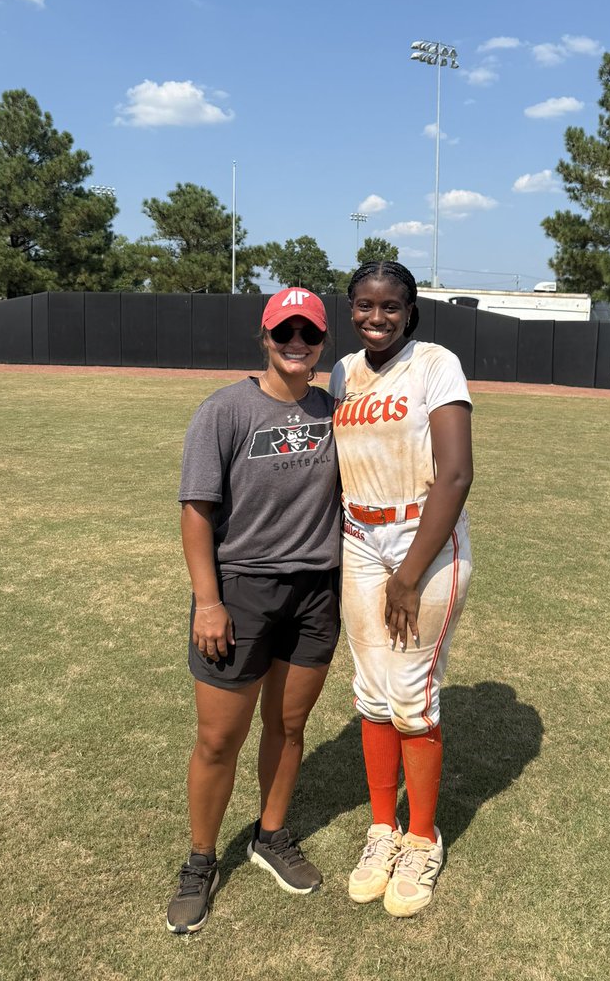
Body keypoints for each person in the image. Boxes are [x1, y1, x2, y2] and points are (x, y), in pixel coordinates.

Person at [166, 287, 341, 935]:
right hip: (240, 591)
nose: (297, 343)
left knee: (288, 729)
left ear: (324, 340)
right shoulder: (225, 410)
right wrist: (208, 603)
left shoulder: (333, 411)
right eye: (285, 331)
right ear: (264, 336)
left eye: (310, 333)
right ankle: (200, 860)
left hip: (316, 592)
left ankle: (270, 835)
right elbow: (196, 511)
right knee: (218, 740)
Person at [329, 260, 473, 917]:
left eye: (390, 306)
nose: (376, 317)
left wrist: (409, 577)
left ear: (409, 310)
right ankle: (383, 828)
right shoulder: (342, 373)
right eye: (364, 305)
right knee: (370, 690)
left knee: (412, 694)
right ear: (351, 308)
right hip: (360, 537)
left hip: (424, 538)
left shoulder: (435, 364)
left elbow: (455, 475)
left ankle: (422, 838)